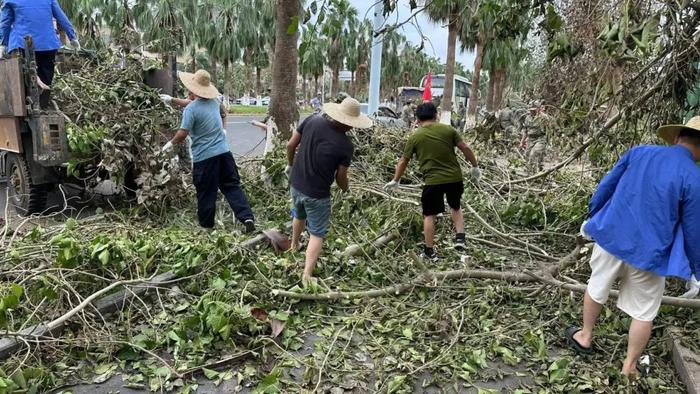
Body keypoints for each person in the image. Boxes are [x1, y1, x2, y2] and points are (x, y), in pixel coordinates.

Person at [566, 117, 700, 375]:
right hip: (650, 253)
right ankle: (628, 367)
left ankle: (585, 336)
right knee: (644, 311)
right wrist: (697, 270)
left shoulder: (639, 152)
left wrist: (592, 216)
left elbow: (606, 186)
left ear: (676, 137)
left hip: (612, 235)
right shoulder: (694, 178)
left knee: (597, 285)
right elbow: (694, 231)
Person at [286, 97, 372, 285]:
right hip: (317, 194)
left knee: (298, 214)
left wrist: (291, 165)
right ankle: (307, 275)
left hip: (296, 184)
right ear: (350, 124)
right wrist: (347, 190)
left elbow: (290, 145)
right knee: (317, 233)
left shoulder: (312, 120)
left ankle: (293, 246)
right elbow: (340, 177)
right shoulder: (346, 146)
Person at [162, 69, 256, 233]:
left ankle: (206, 227)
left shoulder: (191, 111)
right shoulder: (213, 101)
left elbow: (183, 133)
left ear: (192, 90)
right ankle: (247, 217)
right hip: (224, 154)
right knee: (232, 186)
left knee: (206, 192)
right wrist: (172, 100)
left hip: (205, 159)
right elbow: (199, 105)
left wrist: (170, 144)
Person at [384, 102, 481, 260]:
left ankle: (430, 252)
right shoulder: (448, 130)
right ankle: (460, 238)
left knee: (430, 215)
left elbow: (403, 161)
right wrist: (475, 166)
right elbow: (465, 147)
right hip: (454, 178)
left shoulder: (415, 136)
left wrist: (396, 180)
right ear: (436, 115)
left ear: (417, 119)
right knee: (455, 206)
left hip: (433, 181)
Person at [0, 0, 80, 97]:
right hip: (47, 44)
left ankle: (25, 107)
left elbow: (5, 23)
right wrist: (72, 37)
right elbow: (61, 17)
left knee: (24, 79)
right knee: (46, 77)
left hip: (22, 44)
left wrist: (3, 44)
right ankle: (43, 105)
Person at [519, 101, 551, 171]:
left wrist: (548, 142)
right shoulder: (527, 118)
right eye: (530, 110)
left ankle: (533, 171)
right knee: (527, 155)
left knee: (534, 153)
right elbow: (525, 131)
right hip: (531, 139)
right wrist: (522, 141)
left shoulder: (544, 117)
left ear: (538, 109)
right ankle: (532, 170)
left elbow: (549, 130)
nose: (532, 111)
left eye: (534, 110)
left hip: (541, 138)